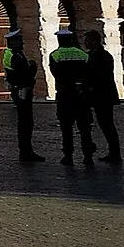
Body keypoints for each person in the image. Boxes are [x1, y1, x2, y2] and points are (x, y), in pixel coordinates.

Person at [48, 27, 94, 165]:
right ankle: (88, 156)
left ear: (59, 40)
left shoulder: (55, 55)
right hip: (81, 95)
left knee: (66, 127)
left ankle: (68, 155)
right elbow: (89, 72)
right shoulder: (83, 54)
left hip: (64, 94)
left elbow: (55, 73)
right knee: (85, 127)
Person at [2, 28, 44, 163]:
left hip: (19, 89)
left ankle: (26, 151)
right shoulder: (14, 55)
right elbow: (23, 74)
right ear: (13, 42)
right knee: (26, 122)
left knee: (25, 122)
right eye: (19, 40)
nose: (22, 42)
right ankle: (26, 152)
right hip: (21, 90)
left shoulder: (13, 53)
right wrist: (32, 69)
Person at [83, 28, 122, 164]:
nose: (85, 43)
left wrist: (89, 86)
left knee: (107, 124)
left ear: (94, 41)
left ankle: (115, 153)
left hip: (103, 95)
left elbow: (101, 76)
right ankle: (113, 153)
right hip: (98, 95)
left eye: (87, 40)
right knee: (104, 124)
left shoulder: (103, 56)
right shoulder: (93, 55)